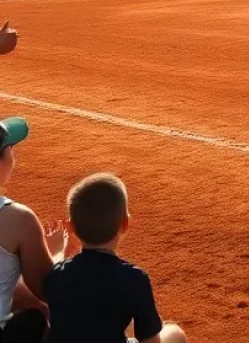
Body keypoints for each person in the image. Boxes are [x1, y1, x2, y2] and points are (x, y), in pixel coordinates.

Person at [44, 173, 187, 343]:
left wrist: (57, 251)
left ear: (72, 227)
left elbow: (56, 267)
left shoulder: (57, 275)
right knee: (175, 333)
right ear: (125, 224)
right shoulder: (134, 279)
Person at [0, 116, 67, 343]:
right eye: (10, 149)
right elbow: (50, 290)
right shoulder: (18, 219)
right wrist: (58, 252)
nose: (13, 155)